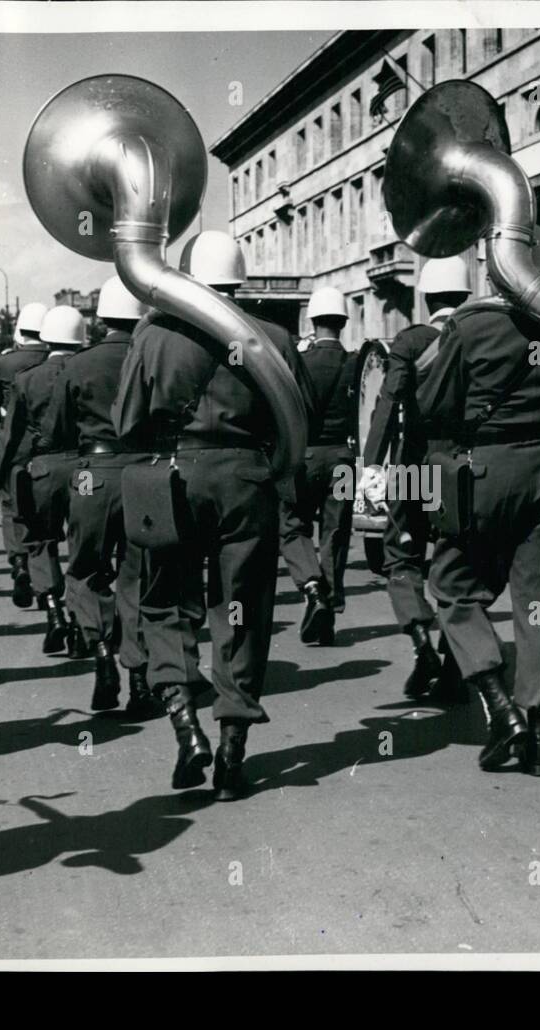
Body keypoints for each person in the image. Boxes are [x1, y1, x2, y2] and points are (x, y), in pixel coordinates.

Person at [112, 230, 311, 799]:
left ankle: (185, 726)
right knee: (241, 610)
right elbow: (298, 420)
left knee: (166, 602)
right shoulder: (272, 336)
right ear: (239, 277)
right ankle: (231, 753)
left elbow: (128, 423)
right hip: (248, 481)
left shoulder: (154, 334)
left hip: (175, 477)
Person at [414, 228, 540, 778]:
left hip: (489, 471)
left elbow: (431, 405)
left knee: (450, 584)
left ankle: (499, 706)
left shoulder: (469, 327)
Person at [363, 255, 471, 699]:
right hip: (461, 463)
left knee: (399, 554)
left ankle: (419, 639)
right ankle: (452, 665)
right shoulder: (476, 338)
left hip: (412, 466)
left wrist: (372, 463)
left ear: (426, 297)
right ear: (465, 295)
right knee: (457, 561)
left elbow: (387, 404)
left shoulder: (410, 340)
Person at [43, 276, 152, 712]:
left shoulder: (77, 364)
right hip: (142, 471)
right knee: (137, 576)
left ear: (101, 317)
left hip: (92, 473)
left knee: (85, 569)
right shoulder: (150, 355)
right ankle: (140, 680)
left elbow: (55, 432)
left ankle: (101, 651)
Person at [0, 305, 85, 653]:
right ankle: (88, 627)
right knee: (84, 546)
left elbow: (1, 418)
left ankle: (50, 605)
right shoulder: (86, 367)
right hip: (85, 465)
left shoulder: (14, 366)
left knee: (36, 533)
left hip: (32, 461)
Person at [279, 285, 357, 646]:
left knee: (293, 523)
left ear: (312, 319)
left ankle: (312, 585)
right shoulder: (356, 362)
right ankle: (332, 602)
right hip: (343, 458)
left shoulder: (300, 361)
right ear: (344, 321)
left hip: (305, 457)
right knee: (336, 530)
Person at [0, 302, 49, 607]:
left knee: (12, 506)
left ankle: (18, 562)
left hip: (16, 442)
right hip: (52, 442)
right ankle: (44, 575)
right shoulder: (56, 358)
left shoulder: (6, 362)